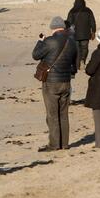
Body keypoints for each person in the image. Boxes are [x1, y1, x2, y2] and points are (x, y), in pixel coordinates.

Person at [32, 17, 78, 151]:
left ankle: (54, 144)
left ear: (53, 28)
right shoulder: (72, 41)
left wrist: (40, 41)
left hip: (52, 83)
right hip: (66, 81)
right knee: (63, 114)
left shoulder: (49, 41)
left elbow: (35, 55)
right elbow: (75, 63)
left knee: (52, 114)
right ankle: (64, 144)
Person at [66, 0, 97, 69]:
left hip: (75, 34)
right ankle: (83, 60)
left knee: (77, 49)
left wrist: (68, 33)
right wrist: (93, 32)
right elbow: (93, 21)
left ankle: (77, 65)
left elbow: (69, 23)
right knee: (85, 48)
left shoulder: (72, 11)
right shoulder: (88, 10)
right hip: (86, 34)